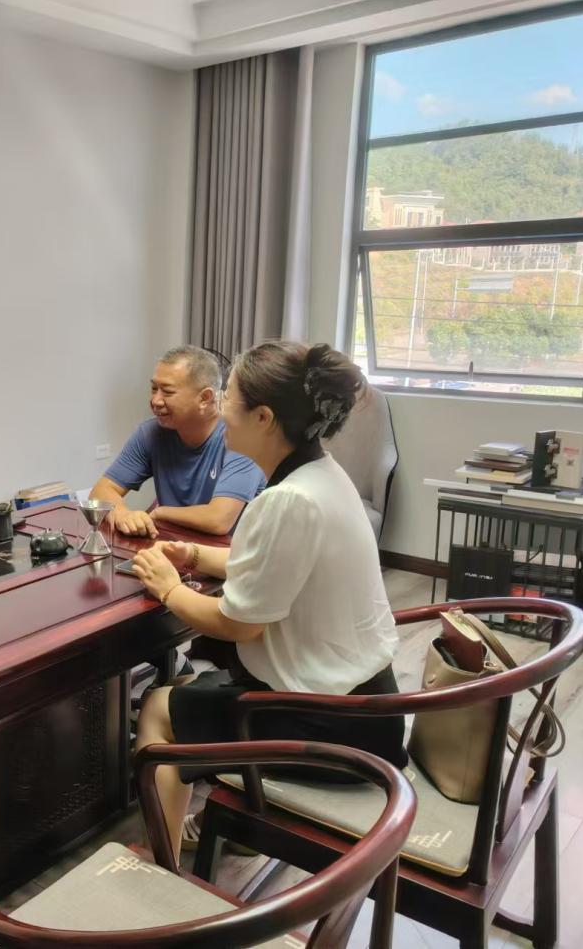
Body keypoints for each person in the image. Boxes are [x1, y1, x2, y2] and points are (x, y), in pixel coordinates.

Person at [130, 342, 406, 860]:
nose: (220, 411)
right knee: (192, 687)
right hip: (367, 707)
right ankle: (221, 826)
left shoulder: (287, 501)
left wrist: (169, 588)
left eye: (229, 398)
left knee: (158, 709)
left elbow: (238, 624)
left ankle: (157, 865)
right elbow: (273, 565)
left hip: (330, 728)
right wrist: (195, 555)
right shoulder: (322, 476)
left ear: (263, 417)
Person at [89, 346, 263, 538]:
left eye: (167, 392)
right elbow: (101, 491)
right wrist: (122, 513)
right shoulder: (150, 433)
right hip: (172, 546)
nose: (155, 401)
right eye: (154, 389)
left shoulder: (240, 438)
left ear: (205, 398)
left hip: (229, 553)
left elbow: (219, 519)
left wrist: (160, 513)